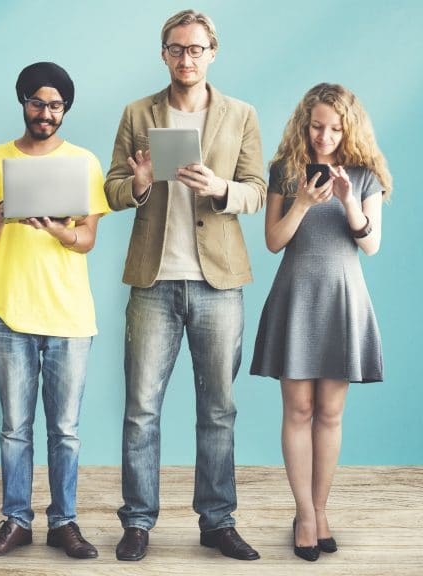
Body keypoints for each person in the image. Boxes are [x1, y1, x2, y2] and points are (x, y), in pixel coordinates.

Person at [104, 9, 266, 562]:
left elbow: (258, 190)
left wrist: (221, 187)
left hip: (219, 283)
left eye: (196, 49)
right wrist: (142, 185)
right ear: (164, 53)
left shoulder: (241, 114)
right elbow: (112, 188)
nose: (186, 58)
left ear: (212, 53)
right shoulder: (137, 113)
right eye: (177, 48)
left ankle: (217, 521)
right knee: (141, 408)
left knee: (218, 407)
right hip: (153, 282)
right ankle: (138, 521)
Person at [0, 62, 110, 560]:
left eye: (54, 105)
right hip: (12, 313)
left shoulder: (84, 163)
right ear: (23, 102)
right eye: (36, 102)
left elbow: (87, 239)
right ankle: (16, 519)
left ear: (64, 109)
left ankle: (64, 522)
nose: (44, 113)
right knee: (14, 428)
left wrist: (56, 229)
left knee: (65, 430)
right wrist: (8, 208)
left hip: (70, 317)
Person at [250, 83, 390, 562]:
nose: (324, 136)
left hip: (342, 300)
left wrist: (349, 200)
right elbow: (273, 241)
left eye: (334, 128)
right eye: (316, 126)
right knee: (299, 411)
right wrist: (305, 202)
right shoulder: (286, 172)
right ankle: (305, 514)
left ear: (348, 129)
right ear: (304, 125)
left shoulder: (366, 176)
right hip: (297, 297)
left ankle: (321, 509)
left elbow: (370, 246)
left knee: (330, 413)